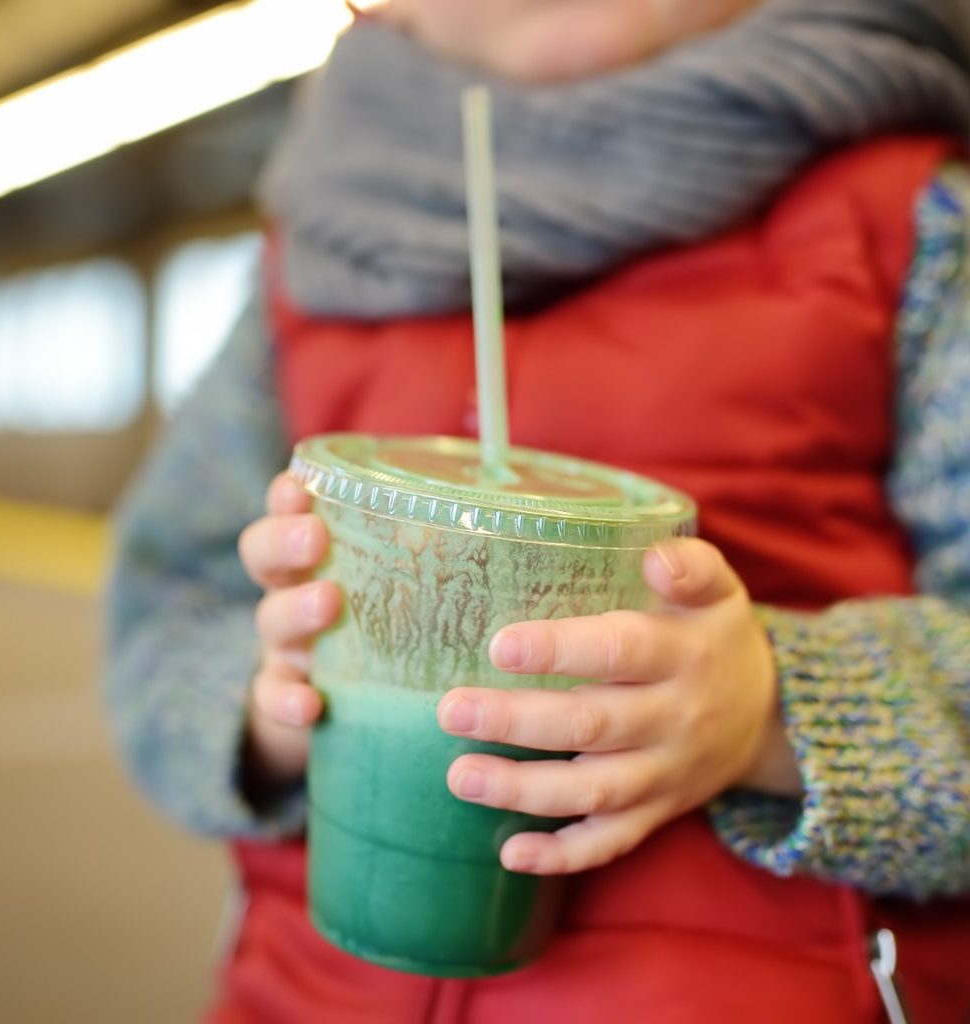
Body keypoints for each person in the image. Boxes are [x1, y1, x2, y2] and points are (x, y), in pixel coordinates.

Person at [105, 1, 970, 1020]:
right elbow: (162, 611)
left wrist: (775, 714)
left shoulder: (911, 218)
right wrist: (271, 700)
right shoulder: (306, 260)